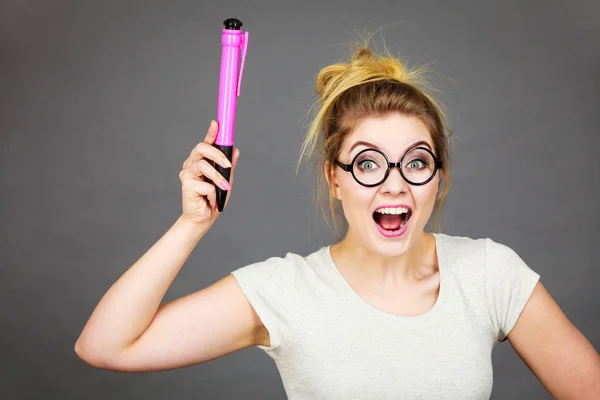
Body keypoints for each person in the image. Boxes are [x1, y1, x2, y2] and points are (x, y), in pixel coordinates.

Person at [74, 42, 600, 399]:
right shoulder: (285, 290)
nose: (394, 184)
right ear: (335, 179)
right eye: (368, 163)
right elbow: (105, 346)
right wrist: (192, 222)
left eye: (416, 162)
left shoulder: (489, 273)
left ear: (439, 179)